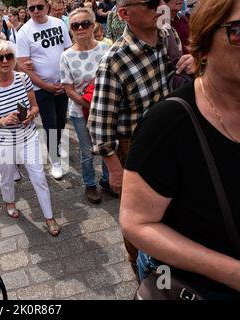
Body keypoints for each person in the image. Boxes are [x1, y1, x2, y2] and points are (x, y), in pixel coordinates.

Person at [120, 0, 240, 299]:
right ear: (204, 41)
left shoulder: (165, 38)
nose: (156, 7)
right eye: (238, 31)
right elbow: (136, 222)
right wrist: (231, 272)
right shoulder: (168, 124)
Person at [89, 0, 194, 272]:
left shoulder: (167, 36)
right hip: (133, 148)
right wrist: (116, 171)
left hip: (172, 136)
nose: (161, 6)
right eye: (151, 2)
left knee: (174, 205)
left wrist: (194, 62)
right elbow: (99, 126)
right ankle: (141, 270)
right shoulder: (114, 61)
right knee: (139, 221)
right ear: (124, 14)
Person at [0, 40, 60, 237]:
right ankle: (9, 202)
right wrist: (3, 121)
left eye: (9, 56)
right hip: (3, 141)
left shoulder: (23, 79)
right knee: (6, 177)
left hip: (28, 136)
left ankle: (49, 217)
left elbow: (35, 106)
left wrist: (31, 114)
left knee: (39, 177)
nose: (5, 61)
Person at [17, 0, 73, 180]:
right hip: (40, 87)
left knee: (61, 122)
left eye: (39, 7)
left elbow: (69, 51)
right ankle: (55, 161)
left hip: (62, 83)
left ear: (47, 7)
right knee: (50, 123)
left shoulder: (58, 24)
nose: (35, 11)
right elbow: (23, 65)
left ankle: (55, 147)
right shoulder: (24, 31)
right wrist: (45, 85)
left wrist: (68, 80)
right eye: (31, 8)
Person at [60, 7, 111, 204]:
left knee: (106, 144)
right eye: (75, 25)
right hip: (79, 110)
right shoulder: (66, 56)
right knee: (86, 149)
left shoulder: (105, 49)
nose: (80, 28)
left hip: (105, 108)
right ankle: (90, 184)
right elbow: (68, 88)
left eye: (85, 24)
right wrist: (87, 105)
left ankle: (107, 180)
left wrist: (98, 105)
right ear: (71, 29)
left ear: (93, 25)